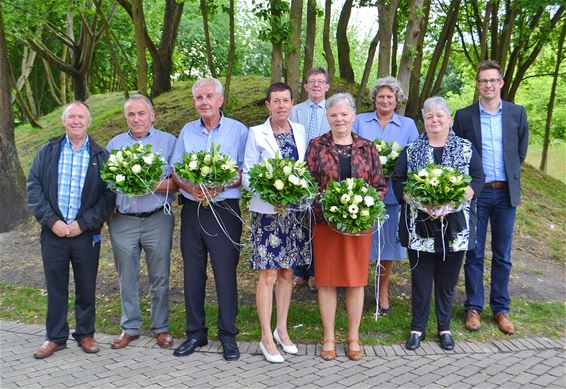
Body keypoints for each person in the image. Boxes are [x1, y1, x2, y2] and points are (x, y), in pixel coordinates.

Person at [392, 96, 485, 351]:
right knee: (421, 281)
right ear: (424, 121)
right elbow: (398, 180)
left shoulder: (465, 148)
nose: (435, 120)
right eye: (429, 116)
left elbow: (478, 177)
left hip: (455, 227)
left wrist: (465, 193)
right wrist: (413, 198)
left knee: (446, 281)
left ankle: (444, 328)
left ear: (449, 119)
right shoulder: (412, 150)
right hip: (420, 226)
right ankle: (417, 328)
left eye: (439, 115)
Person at [26, 101, 115, 359]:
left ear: (89, 122)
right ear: (64, 121)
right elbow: (34, 187)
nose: (76, 121)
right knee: (56, 287)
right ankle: (55, 338)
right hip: (53, 232)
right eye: (71, 117)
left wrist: (83, 223)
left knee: (86, 286)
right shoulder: (48, 151)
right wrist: (52, 221)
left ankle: (85, 334)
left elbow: (108, 196)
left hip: (85, 234)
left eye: (81, 117)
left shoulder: (101, 156)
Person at [171, 78, 248, 361]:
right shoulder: (187, 131)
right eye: (199, 98)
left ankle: (228, 335)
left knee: (225, 274)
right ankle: (195, 334)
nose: (204, 102)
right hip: (193, 210)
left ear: (220, 100)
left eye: (208, 96)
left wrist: (222, 185)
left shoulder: (238, 131)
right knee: (192, 273)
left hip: (225, 210)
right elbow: (175, 169)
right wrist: (190, 187)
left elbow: (245, 171)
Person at [306, 93, 386, 361]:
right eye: (334, 115)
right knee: (326, 280)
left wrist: (365, 211)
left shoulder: (368, 147)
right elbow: (308, 184)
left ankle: (353, 337)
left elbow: (379, 186)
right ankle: (328, 336)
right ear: (327, 117)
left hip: (359, 225)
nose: (339, 119)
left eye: (344, 114)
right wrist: (326, 209)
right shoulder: (316, 146)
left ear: (353, 115)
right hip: (326, 224)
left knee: (355, 281)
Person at [453, 60, 529, 335]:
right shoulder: (464, 116)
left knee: (502, 254)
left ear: (501, 83)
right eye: (483, 81)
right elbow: (458, 154)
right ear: (478, 84)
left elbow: (519, 152)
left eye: (492, 80)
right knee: (473, 252)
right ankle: (473, 307)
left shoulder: (516, 114)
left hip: (505, 193)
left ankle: (501, 309)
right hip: (477, 194)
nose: (488, 85)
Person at [242, 82, 310, 363]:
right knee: (267, 274)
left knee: (286, 273)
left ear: (292, 102)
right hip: (267, 214)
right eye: (276, 101)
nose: (282, 105)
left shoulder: (301, 131)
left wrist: (295, 193)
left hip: (293, 214)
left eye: (286, 100)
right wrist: (272, 195)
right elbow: (247, 173)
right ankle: (265, 337)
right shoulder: (256, 133)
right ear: (267, 105)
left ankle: (281, 329)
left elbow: (304, 170)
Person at [106, 95, 177, 350]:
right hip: (123, 221)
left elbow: (176, 184)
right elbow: (105, 184)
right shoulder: (115, 144)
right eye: (131, 115)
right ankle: (130, 327)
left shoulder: (168, 142)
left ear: (152, 116)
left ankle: (160, 327)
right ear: (126, 118)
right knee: (127, 276)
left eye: (141, 114)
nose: (136, 119)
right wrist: (108, 213)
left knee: (159, 276)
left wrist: (148, 184)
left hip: (157, 218)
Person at [353, 76, 419, 315]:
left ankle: (382, 291)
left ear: (397, 100)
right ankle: (357, 289)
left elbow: (415, 158)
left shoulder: (408, 125)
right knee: (360, 243)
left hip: (392, 194)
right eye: (380, 96)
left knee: (388, 247)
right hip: (362, 196)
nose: (385, 100)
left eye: (390, 96)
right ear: (374, 99)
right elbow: (350, 152)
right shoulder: (359, 121)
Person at [290, 67, 331, 291]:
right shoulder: (294, 111)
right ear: (305, 86)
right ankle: (299, 271)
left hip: (324, 174)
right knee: (299, 221)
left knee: (319, 221)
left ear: (327, 86)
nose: (316, 85)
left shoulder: (334, 111)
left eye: (320, 81)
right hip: (298, 173)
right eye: (312, 81)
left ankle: (316, 271)